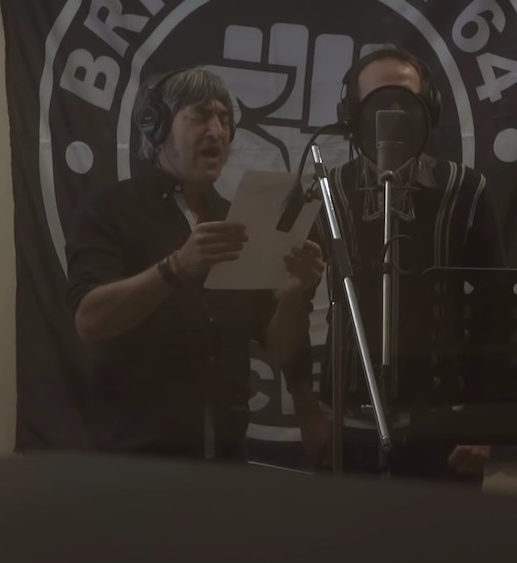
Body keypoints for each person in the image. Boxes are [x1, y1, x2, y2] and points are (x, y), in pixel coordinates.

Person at [65, 67, 325, 461]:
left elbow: (280, 348)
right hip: (134, 462)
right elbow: (90, 321)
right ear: (155, 128)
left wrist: (292, 295)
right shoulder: (109, 210)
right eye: (200, 116)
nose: (217, 132)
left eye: (225, 119)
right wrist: (175, 268)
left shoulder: (238, 221)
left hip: (226, 461)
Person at [289, 47, 509, 487]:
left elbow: (496, 313)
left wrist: (485, 421)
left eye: (405, 100)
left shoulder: (465, 189)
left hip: (444, 425)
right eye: (377, 101)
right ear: (351, 114)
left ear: (429, 109)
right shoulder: (327, 192)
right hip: (346, 424)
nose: (391, 113)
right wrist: (307, 411)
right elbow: (289, 308)